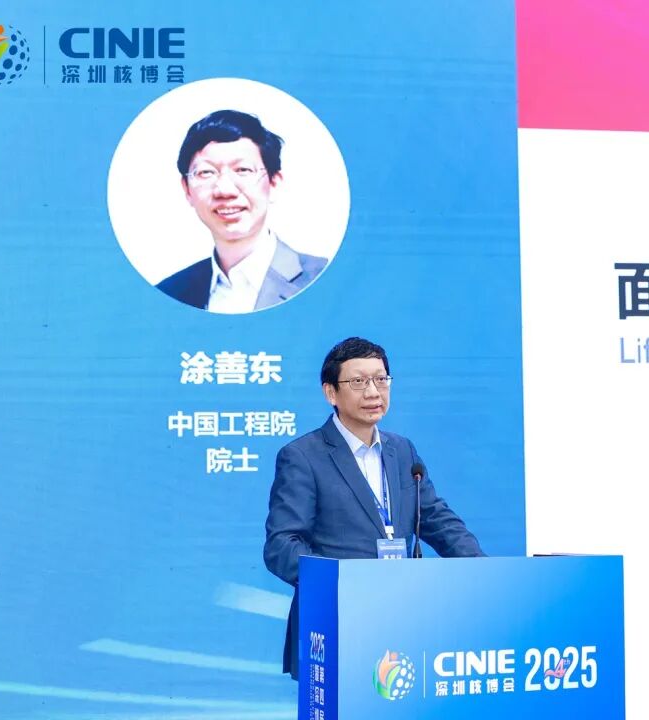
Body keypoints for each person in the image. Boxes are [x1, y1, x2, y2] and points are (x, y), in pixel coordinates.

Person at [264, 337, 484, 677]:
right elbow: (282, 546)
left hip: (401, 619)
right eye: (358, 382)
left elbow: (437, 519)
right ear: (331, 393)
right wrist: (346, 582)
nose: (372, 392)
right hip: (335, 622)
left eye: (381, 379)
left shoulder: (402, 451)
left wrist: (482, 570)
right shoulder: (303, 456)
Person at [157, 109, 327, 312]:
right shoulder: (168, 294)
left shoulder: (324, 280)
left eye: (243, 170)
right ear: (187, 189)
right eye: (206, 172)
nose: (225, 190)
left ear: (274, 183)